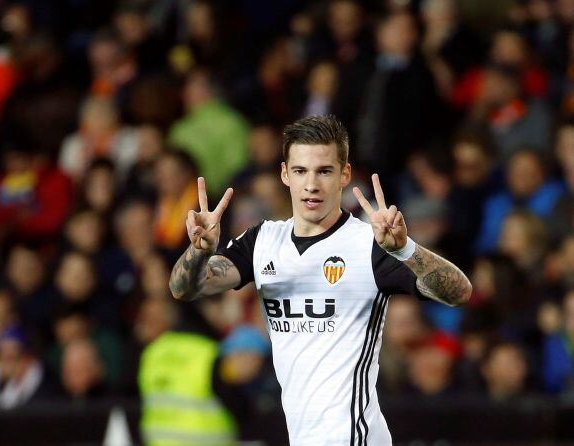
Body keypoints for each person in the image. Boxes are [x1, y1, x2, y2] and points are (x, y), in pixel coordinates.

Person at [168, 115, 472, 444]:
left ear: (344, 175)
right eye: (300, 171)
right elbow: (184, 288)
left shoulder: (368, 245)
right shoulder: (262, 241)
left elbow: (459, 292)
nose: (311, 184)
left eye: (324, 171)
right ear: (285, 174)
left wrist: (405, 249)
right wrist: (199, 251)